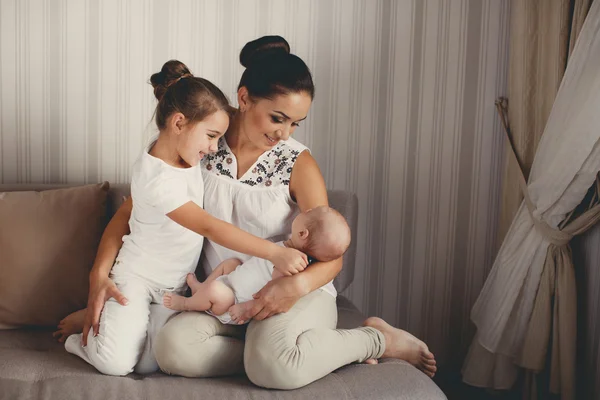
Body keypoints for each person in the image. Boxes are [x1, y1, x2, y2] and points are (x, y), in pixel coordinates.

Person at [54, 36, 437, 388]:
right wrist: (97, 280)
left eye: (295, 123)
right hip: (223, 296)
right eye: (277, 118)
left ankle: (375, 339)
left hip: (289, 292)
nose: (284, 133)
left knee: (273, 365)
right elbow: (131, 213)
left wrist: (295, 286)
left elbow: (332, 253)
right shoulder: (202, 142)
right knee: (172, 349)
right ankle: (284, 357)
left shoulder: (297, 163)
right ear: (244, 97)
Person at [62, 59, 308, 377]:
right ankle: (79, 342)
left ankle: (113, 323)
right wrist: (275, 252)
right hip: (136, 280)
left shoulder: (184, 154)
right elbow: (208, 225)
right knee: (116, 364)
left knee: (153, 362)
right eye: (210, 136)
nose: (214, 147)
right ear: (179, 123)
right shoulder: (156, 178)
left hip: (175, 288)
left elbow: (224, 117)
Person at [163, 206, 352, 326]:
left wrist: (246, 307)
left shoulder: (292, 266)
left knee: (215, 291)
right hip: (232, 280)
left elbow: (272, 293)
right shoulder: (287, 249)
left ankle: (186, 303)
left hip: (233, 301)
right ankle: (200, 289)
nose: (304, 210)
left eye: (308, 213)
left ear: (303, 233)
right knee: (231, 263)